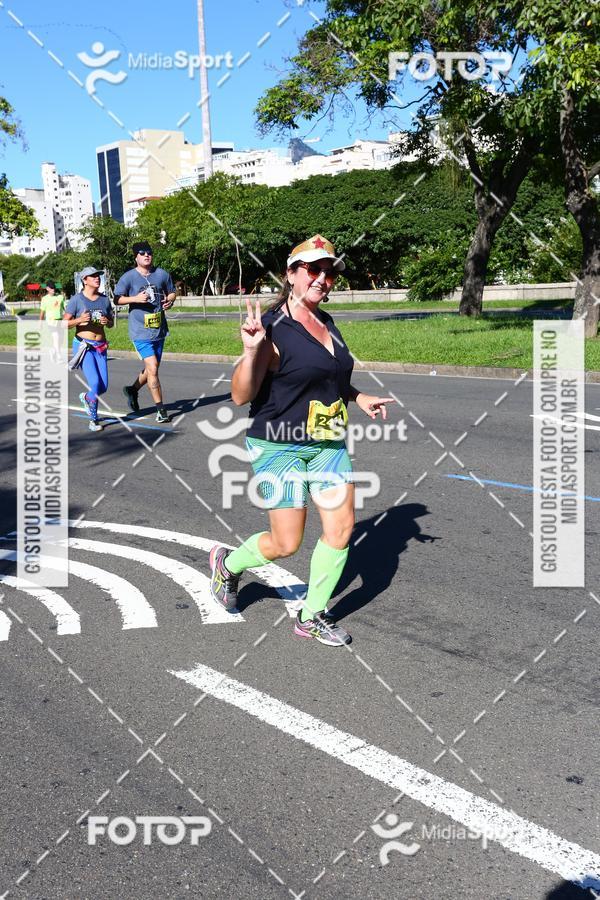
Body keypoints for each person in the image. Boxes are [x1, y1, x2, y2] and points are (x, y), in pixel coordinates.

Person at [209, 235, 393, 647]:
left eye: (329, 272)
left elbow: (330, 378)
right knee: (286, 543)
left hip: (326, 442)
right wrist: (252, 351)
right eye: (314, 269)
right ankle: (229, 563)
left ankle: (311, 615)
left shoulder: (327, 322)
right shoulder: (272, 327)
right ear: (291, 274)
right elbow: (240, 395)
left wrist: (358, 396)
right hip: (279, 443)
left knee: (341, 528)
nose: (323, 279)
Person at [114, 242, 176, 423]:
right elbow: (117, 299)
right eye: (142, 253)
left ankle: (132, 390)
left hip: (159, 330)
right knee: (153, 368)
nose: (146, 255)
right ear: (136, 257)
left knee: (152, 368)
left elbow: (172, 292)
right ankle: (161, 410)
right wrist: (135, 298)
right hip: (140, 331)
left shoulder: (161, 274)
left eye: (149, 252)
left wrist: (169, 301)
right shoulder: (128, 277)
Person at [63, 266, 113, 433]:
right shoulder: (76, 300)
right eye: (93, 276)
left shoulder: (104, 300)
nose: (97, 278)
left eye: (98, 275)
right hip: (84, 346)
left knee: (103, 386)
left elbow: (112, 323)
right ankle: (93, 420)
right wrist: (79, 320)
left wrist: (108, 321)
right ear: (84, 280)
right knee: (95, 383)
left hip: (101, 346)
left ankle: (86, 397)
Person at [39, 280, 67, 360]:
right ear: (47, 288)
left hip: (60, 321)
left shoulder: (60, 297)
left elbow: (65, 308)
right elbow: (42, 312)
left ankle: (53, 351)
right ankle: (59, 356)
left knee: (61, 340)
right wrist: (40, 322)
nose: (53, 289)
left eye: (54, 288)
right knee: (56, 337)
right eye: (51, 288)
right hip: (50, 322)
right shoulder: (44, 299)